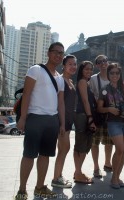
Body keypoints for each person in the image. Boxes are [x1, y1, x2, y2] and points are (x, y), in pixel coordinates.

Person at [15, 42, 65, 200]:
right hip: (35, 118)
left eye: (61, 53)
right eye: (55, 52)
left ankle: (40, 187)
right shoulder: (35, 69)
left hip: (52, 120)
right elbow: (27, 94)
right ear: (48, 53)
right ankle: (22, 190)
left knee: (45, 155)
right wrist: (23, 118)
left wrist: (62, 123)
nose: (58, 55)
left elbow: (61, 103)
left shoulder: (60, 78)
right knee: (29, 155)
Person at [97, 63, 124, 189]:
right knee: (119, 148)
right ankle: (113, 178)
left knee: (123, 151)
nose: (114, 75)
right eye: (112, 73)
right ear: (108, 74)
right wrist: (109, 109)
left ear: (120, 74)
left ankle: (117, 177)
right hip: (113, 122)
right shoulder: (104, 89)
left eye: (117, 73)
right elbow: (99, 108)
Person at [52, 55, 77, 188]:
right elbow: (58, 102)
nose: (73, 67)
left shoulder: (70, 82)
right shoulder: (60, 80)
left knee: (63, 149)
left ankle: (58, 175)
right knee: (64, 149)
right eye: (70, 64)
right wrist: (61, 123)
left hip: (68, 120)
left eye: (74, 64)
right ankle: (56, 178)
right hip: (61, 120)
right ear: (64, 66)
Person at [88, 55, 113, 178]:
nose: (103, 63)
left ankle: (108, 163)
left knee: (109, 141)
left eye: (105, 60)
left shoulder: (113, 77)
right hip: (97, 113)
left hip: (110, 114)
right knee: (95, 141)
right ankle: (96, 167)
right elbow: (90, 95)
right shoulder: (93, 79)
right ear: (97, 65)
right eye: (100, 62)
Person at [73, 61, 96, 184]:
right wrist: (90, 118)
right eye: (86, 69)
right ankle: (78, 174)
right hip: (83, 116)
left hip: (84, 116)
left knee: (85, 145)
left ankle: (78, 172)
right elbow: (85, 101)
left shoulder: (86, 82)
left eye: (91, 69)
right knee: (81, 145)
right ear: (81, 70)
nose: (89, 71)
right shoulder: (82, 82)